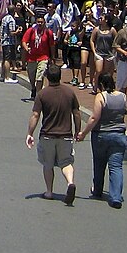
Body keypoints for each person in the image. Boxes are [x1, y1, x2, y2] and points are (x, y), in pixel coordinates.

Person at [25, 63, 83, 205]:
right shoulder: (69, 93)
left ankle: (49, 191)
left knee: (48, 164)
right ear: (60, 76)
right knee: (66, 163)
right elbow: (76, 113)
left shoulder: (42, 94)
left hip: (47, 134)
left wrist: (30, 133)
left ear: (47, 77)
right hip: (66, 134)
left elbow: (35, 115)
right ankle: (70, 183)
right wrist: (78, 130)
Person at [77, 71, 127, 208]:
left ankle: (98, 190)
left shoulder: (101, 97)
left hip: (101, 134)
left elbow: (94, 117)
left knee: (99, 164)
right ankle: (116, 196)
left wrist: (83, 133)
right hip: (118, 134)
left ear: (100, 84)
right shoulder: (123, 97)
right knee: (116, 166)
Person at [22, 13, 54, 100]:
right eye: (38, 22)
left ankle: (38, 95)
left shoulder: (48, 32)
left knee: (40, 77)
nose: (40, 24)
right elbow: (24, 41)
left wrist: (52, 57)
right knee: (32, 77)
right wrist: (26, 48)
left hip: (43, 57)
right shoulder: (31, 30)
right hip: (31, 58)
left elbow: (52, 45)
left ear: (44, 22)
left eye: (41, 22)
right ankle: (33, 88)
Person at [89, 15, 117, 90]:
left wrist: (114, 53)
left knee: (107, 72)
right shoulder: (96, 29)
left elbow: (116, 41)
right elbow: (92, 40)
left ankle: (106, 87)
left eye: (101, 18)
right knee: (99, 70)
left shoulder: (112, 30)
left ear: (106, 20)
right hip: (99, 53)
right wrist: (94, 52)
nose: (99, 19)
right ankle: (95, 86)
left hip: (109, 53)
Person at [0, 6, 19, 84]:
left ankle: (3, 76)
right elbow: (11, 32)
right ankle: (7, 77)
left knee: (4, 59)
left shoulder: (4, 18)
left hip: (4, 41)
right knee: (7, 59)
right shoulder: (11, 20)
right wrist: (17, 31)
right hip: (9, 42)